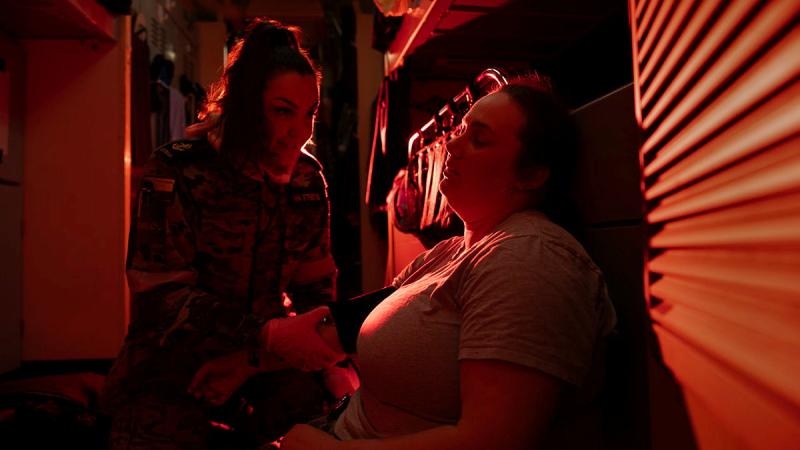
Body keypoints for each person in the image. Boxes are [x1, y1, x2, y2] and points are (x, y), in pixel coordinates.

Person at [279, 76, 617, 450]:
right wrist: (250, 355)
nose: (452, 144)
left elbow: (492, 441)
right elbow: (341, 328)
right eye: (460, 131)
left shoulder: (529, 259)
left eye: (479, 139)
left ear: (531, 175)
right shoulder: (449, 253)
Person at [100, 18, 347, 449]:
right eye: (283, 111)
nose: (301, 132)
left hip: (265, 364)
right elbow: (162, 299)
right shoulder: (177, 170)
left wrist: (254, 359)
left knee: (326, 429)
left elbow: (316, 296)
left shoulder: (307, 180)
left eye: (309, 113)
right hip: (171, 360)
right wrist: (263, 337)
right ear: (247, 107)